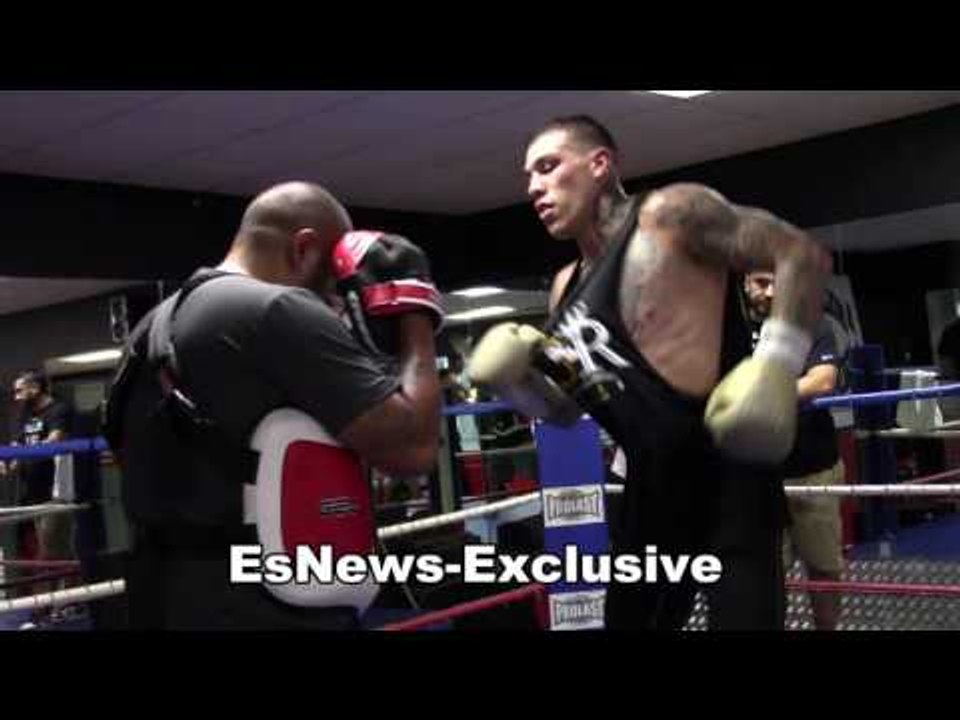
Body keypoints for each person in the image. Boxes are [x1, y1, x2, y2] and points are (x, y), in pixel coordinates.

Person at [468, 115, 832, 630]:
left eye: (548, 167)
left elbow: (799, 254)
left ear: (599, 164)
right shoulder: (563, 290)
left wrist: (776, 364)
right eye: (529, 176)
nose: (534, 187)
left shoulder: (671, 214)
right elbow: (568, 409)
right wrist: (518, 385)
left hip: (730, 481)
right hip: (650, 493)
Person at [105, 181, 443, 630]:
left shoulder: (151, 327)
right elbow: (414, 449)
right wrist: (414, 313)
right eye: (329, 284)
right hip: (264, 607)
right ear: (302, 249)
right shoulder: (276, 309)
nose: (331, 301)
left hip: (165, 595)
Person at [744, 270, 845, 630]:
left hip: (811, 468)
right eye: (759, 282)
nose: (769, 292)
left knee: (822, 566)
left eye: (777, 281)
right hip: (759, 475)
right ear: (744, 283)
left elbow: (823, 379)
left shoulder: (814, 324)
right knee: (765, 571)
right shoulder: (734, 333)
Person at [4, 370, 76, 605]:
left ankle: (48, 608)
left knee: (51, 553)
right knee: (51, 552)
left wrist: (21, 454)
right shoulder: (24, 415)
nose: (16, 397)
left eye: (19, 390)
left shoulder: (59, 410)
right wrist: (8, 464)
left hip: (55, 492)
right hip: (32, 494)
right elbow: (16, 449)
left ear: (35, 387)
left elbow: (54, 441)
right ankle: (64, 603)